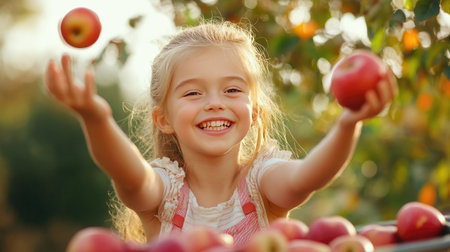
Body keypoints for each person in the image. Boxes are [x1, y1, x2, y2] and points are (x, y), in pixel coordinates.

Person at [45, 21, 397, 245]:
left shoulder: (262, 183)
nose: (215, 103)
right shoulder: (165, 194)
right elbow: (131, 176)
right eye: (193, 92)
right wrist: (96, 118)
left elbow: (308, 176)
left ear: (254, 111)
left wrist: (348, 124)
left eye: (231, 90)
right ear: (163, 119)